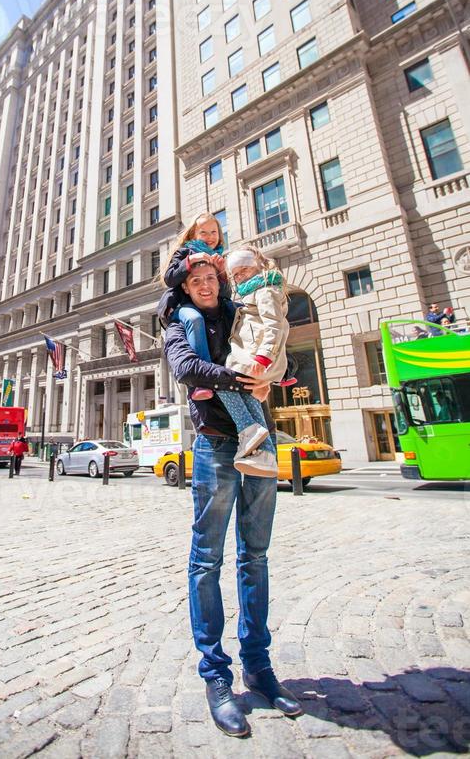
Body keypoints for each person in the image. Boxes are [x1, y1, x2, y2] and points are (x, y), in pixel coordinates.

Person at [163, 261, 301, 738]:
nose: (204, 286)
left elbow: (284, 355)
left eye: (210, 279)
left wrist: (274, 375)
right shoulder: (182, 323)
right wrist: (243, 380)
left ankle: (259, 668)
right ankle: (216, 676)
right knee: (207, 559)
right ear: (184, 286)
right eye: (195, 280)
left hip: (261, 441)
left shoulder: (241, 310)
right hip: (215, 446)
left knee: (256, 556)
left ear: (220, 281)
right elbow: (186, 369)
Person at [215, 244, 293, 477]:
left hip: (257, 357)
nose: (240, 276)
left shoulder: (266, 290)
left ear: (257, 266)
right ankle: (263, 452)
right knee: (244, 393)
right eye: (235, 274)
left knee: (222, 382)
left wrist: (264, 356)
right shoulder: (255, 291)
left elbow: (275, 326)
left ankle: (249, 431)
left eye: (244, 270)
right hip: (254, 355)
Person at [158, 212, 230, 401]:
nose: (210, 237)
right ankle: (202, 382)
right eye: (203, 232)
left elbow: (225, 294)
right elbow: (169, 278)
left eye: (213, 232)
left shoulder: (219, 256)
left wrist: (222, 273)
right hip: (185, 307)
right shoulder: (185, 252)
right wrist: (190, 261)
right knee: (194, 319)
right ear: (192, 235)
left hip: (212, 313)